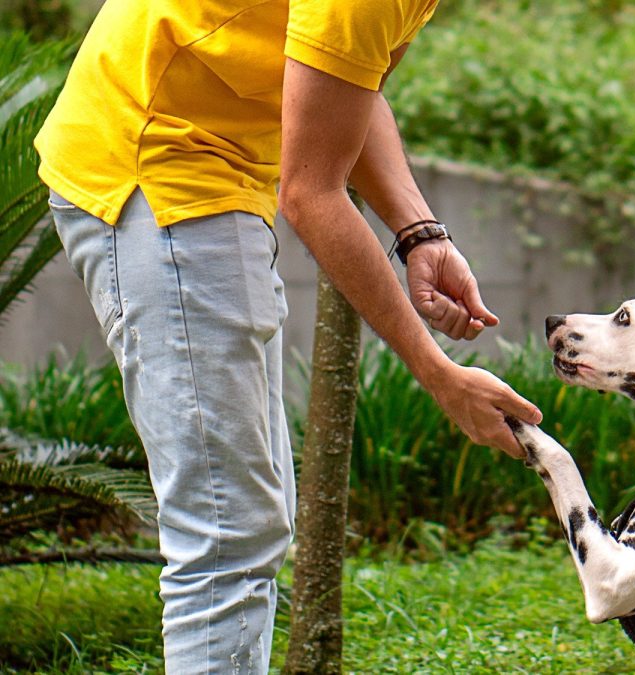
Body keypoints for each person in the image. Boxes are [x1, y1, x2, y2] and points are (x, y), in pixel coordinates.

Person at [34, 0, 543, 672]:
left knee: (251, 525)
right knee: (225, 535)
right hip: (157, 168)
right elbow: (311, 193)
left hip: (213, 173)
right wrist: (438, 372)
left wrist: (419, 230)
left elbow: (346, 89)